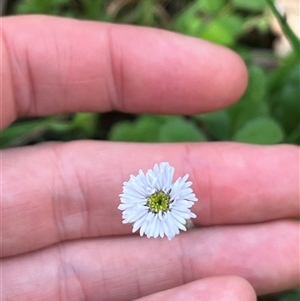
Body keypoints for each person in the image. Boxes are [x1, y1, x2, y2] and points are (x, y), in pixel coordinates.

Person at [1, 15, 299, 301]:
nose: (159, 201)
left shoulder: (167, 199)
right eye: (159, 201)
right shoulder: (154, 204)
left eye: (159, 201)